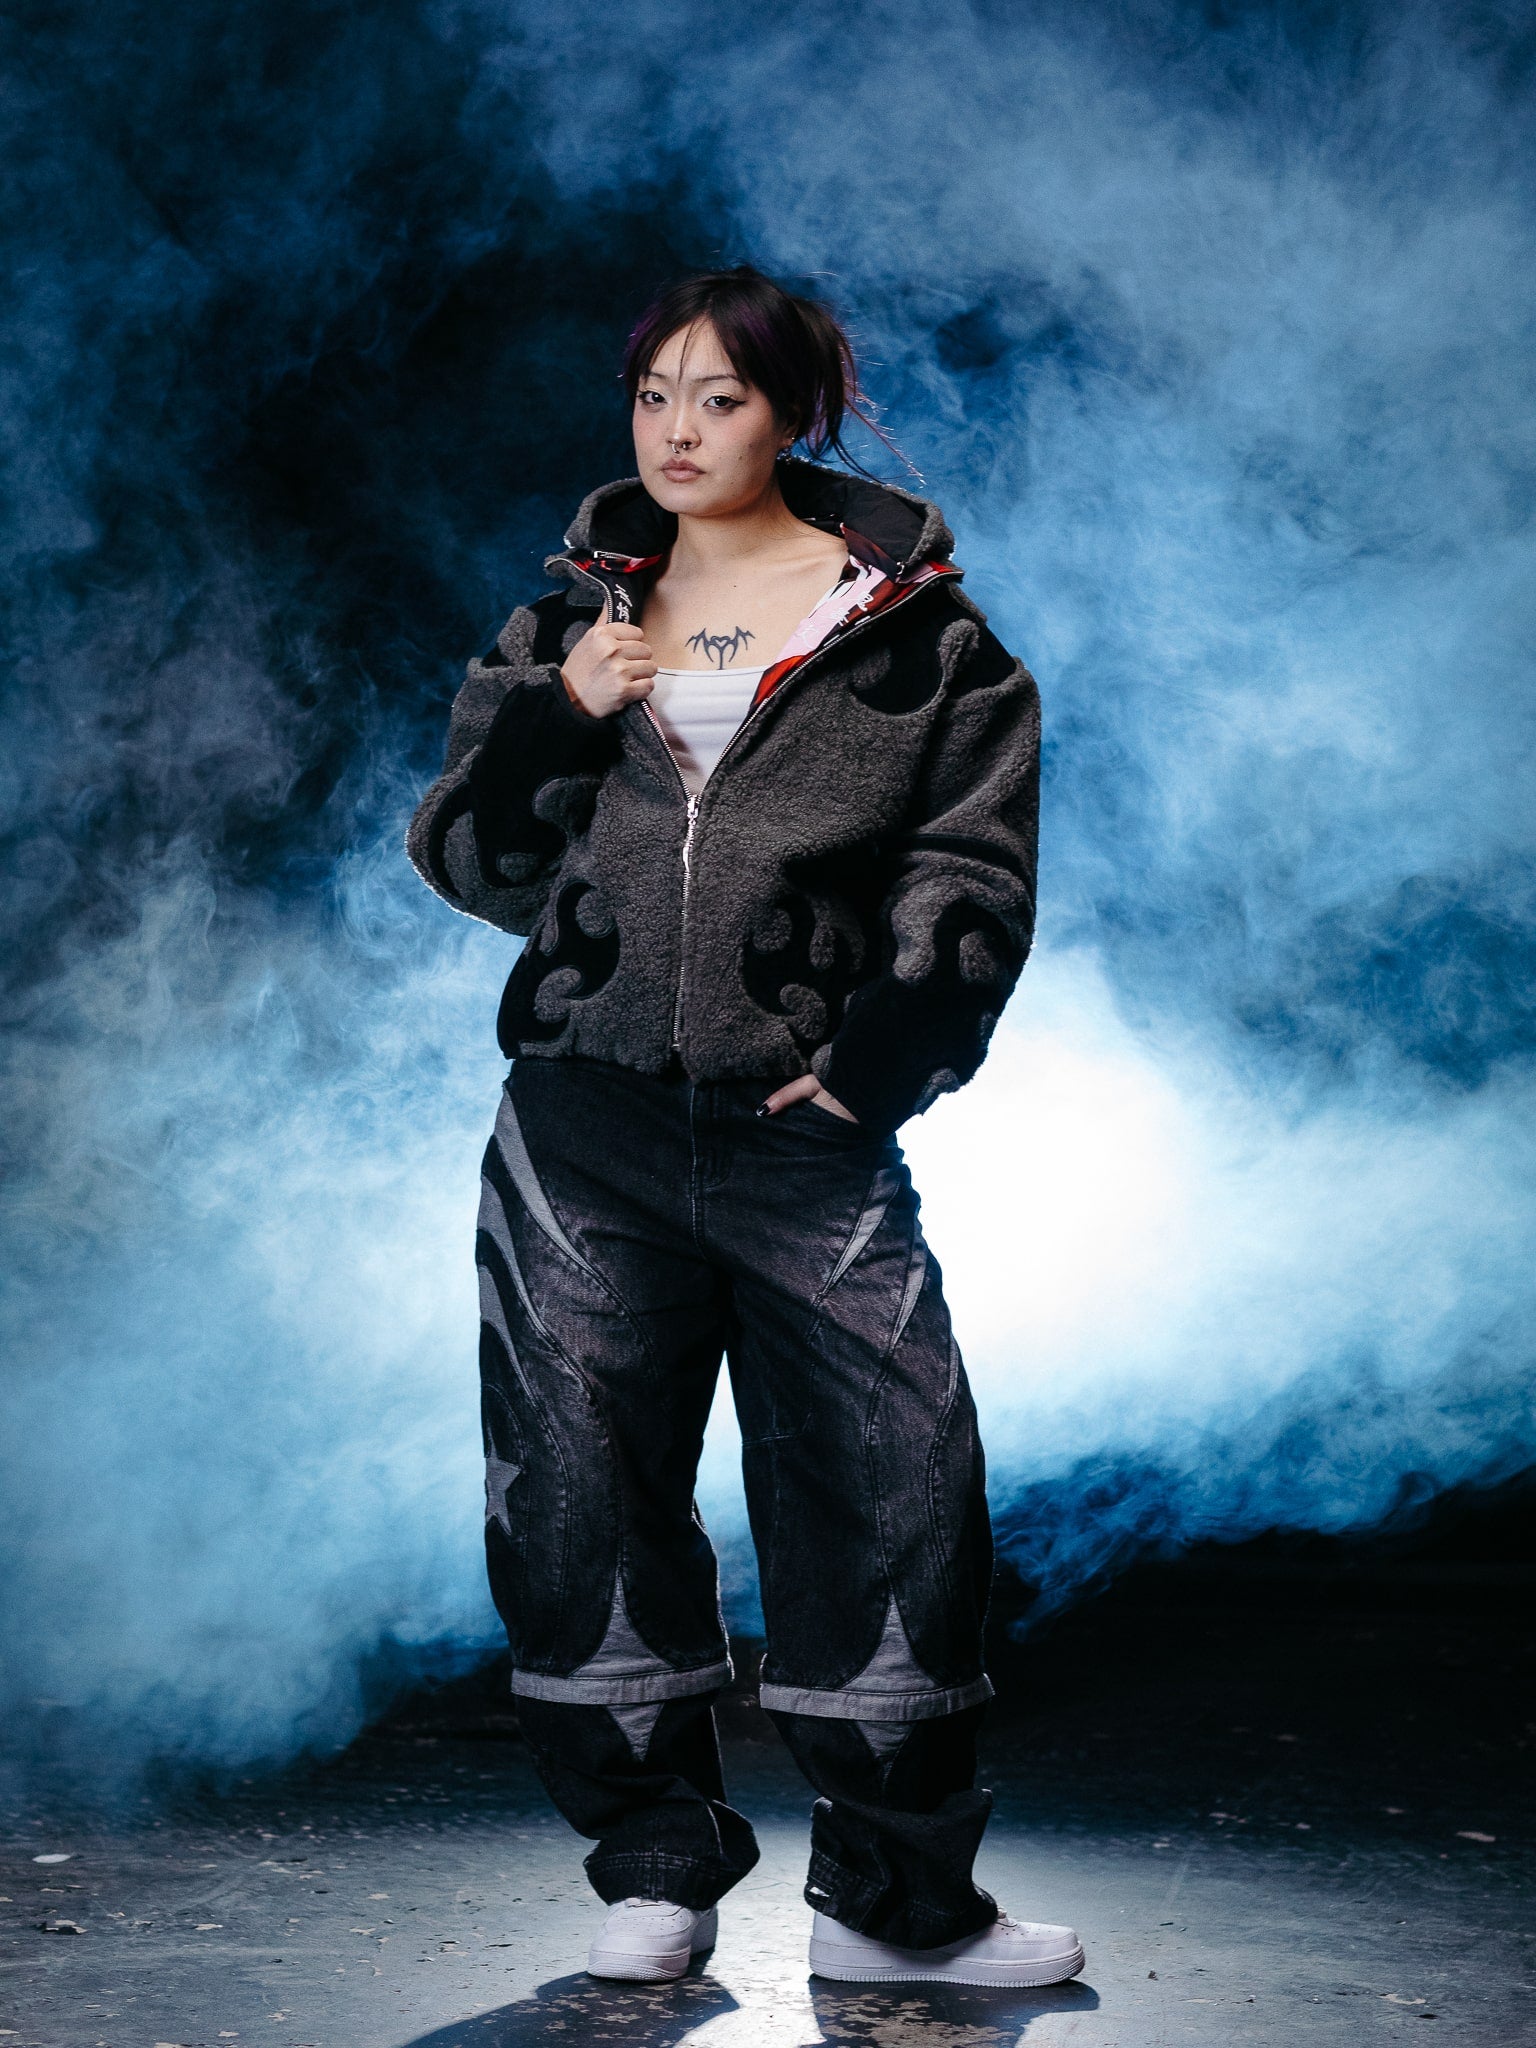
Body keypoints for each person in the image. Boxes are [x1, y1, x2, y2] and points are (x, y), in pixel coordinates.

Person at [407, 264, 1083, 1989]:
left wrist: (871, 1071)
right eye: (654, 396)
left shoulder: (922, 641)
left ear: (794, 415)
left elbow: (971, 878)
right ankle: (652, 1868)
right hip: (583, 1128)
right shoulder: (569, 621)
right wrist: (563, 714)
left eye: (720, 399)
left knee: (893, 1483)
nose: (679, 431)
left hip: (806, 1141)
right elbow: (468, 859)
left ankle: (894, 1911)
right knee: (578, 1490)